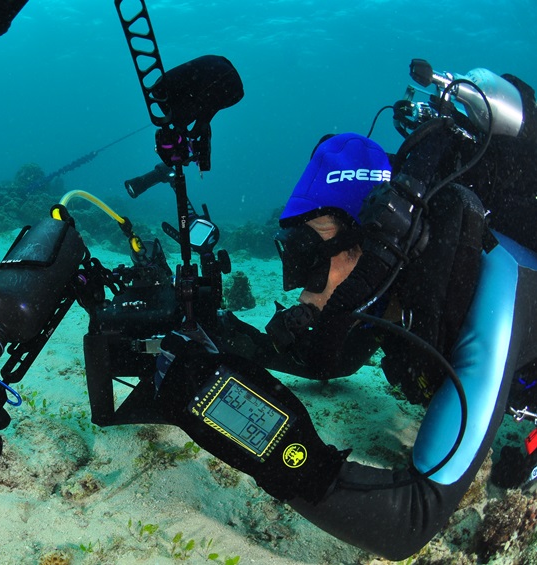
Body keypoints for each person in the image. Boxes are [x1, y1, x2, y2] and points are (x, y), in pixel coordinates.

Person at [154, 110, 537, 559]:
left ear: (373, 246)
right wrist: (228, 340)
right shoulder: (400, 279)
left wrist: (239, 431)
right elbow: (333, 359)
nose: (300, 289)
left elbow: (411, 519)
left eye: (308, 257)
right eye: (292, 257)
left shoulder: (498, 279)